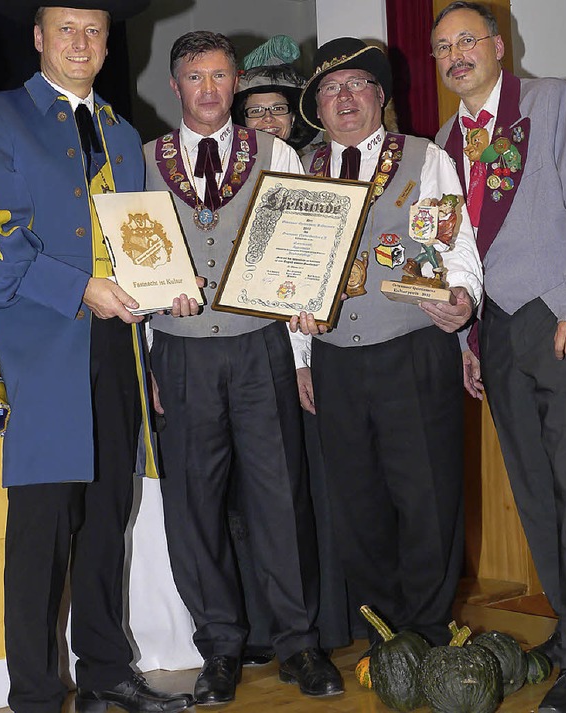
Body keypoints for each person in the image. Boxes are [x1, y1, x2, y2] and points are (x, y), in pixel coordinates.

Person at [0, 2, 197, 712]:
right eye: (66, 29)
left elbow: (141, 245)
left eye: (94, 30)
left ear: (109, 46)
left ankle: (106, 668)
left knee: (109, 517)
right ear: (40, 38)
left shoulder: (124, 131)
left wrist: (163, 293)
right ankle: (38, 694)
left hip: (117, 348)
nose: (81, 41)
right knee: (42, 534)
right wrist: (82, 288)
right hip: (42, 352)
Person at [432, 3, 566, 712]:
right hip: (498, 330)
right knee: (535, 493)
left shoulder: (552, 102)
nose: (457, 54)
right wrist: (465, 335)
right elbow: (452, 255)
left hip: (559, 316)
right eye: (443, 46)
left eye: (467, 40)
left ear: (497, 45)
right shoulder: (444, 140)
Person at [144, 30, 343, 705]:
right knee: (194, 506)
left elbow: (307, 238)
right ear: (176, 86)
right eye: (195, 76)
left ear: (237, 84)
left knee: (279, 496)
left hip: (260, 346)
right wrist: (145, 355)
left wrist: (308, 304)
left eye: (220, 76)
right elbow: (123, 259)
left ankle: (299, 642)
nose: (208, 89)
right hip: (180, 350)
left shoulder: (275, 151)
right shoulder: (145, 160)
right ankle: (221, 647)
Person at [291, 37, 483, 648]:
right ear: (317, 109)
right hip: (334, 359)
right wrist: (301, 360)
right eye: (330, 89)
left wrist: (463, 301)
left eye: (357, 85)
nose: (344, 98)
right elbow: (287, 276)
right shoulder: (297, 171)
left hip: (414, 348)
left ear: (380, 95)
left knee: (427, 498)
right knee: (357, 502)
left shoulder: (426, 158)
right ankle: (385, 634)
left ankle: (429, 632)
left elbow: (458, 252)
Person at [229, 35, 352, 664]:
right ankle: (259, 626)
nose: (266, 120)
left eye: (277, 109)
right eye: (253, 111)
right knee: (255, 496)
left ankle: (326, 625)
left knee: (317, 489)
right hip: (243, 357)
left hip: (307, 354)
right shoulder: (220, 178)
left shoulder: (321, 170)